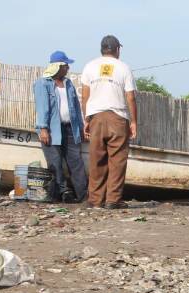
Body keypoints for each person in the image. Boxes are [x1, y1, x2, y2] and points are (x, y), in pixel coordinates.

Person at [81, 35, 137, 209]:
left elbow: (84, 96)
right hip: (118, 117)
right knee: (117, 160)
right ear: (117, 49)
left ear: (102, 49)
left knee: (96, 159)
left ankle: (95, 199)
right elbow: (130, 97)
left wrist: (86, 119)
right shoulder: (124, 68)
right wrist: (134, 121)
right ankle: (113, 200)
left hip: (96, 117)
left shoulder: (90, 66)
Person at [33, 50, 88, 203]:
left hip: (70, 128)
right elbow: (42, 107)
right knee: (55, 163)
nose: (68, 68)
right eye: (65, 66)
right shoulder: (43, 83)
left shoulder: (68, 83)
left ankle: (83, 195)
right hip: (52, 130)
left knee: (76, 162)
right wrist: (43, 128)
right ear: (57, 66)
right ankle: (60, 194)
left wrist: (81, 127)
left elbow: (76, 107)